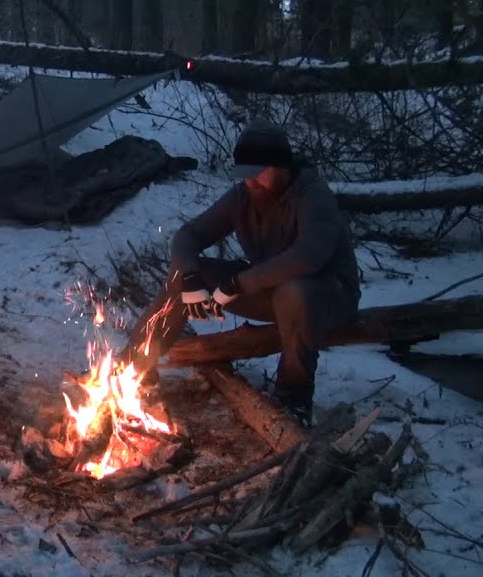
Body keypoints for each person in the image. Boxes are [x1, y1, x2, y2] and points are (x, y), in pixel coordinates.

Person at [125, 120, 360, 426]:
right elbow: (189, 235)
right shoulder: (244, 196)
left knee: (295, 291)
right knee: (182, 278)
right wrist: (191, 278)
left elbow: (307, 258)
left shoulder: (313, 196)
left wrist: (238, 283)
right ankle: (135, 366)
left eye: (258, 173)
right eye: (244, 174)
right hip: (271, 293)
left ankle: (293, 399)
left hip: (328, 298)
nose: (250, 182)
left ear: (282, 166)